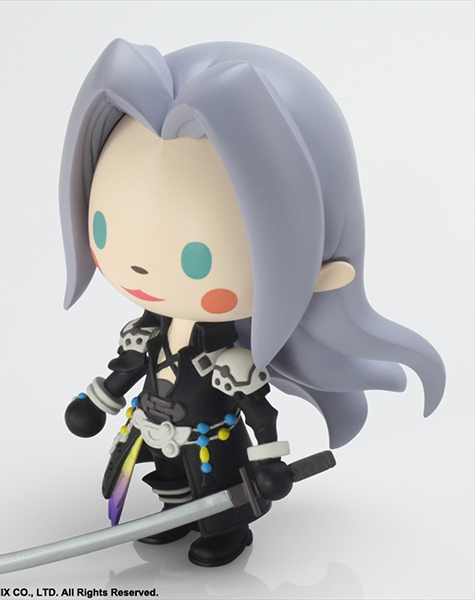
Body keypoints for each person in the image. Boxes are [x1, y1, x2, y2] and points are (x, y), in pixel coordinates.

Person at [58, 40, 445, 567]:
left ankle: (223, 530)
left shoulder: (231, 362)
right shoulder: (147, 332)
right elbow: (126, 368)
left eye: (197, 259)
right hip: (155, 430)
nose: (142, 269)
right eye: (105, 228)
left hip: (210, 444)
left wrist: (267, 460)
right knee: (170, 478)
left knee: (215, 489)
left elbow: (257, 410)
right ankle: (174, 513)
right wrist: (96, 401)